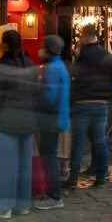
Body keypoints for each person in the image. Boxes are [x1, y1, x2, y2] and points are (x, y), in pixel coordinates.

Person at [0, 29, 40, 218]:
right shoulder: (31, 65)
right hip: (28, 120)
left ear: (5, 45)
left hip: (7, 120)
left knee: (4, 166)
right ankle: (23, 205)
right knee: (25, 165)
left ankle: (3, 207)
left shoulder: (1, 67)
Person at [64, 25, 112, 189]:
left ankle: (72, 179)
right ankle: (101, 176)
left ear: (85, 36)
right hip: (101, 104)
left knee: (79, 141)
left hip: (82, 103)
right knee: (100, 141)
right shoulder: (107, 55)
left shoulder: (83, 56)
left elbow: (75, 77)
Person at [34, 35, 70, 210]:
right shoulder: (59, 65)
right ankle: (51, 193)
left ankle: (54, 196)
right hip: (57, 117)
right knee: (50, 157)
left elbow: (49, 97)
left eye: (42, 45)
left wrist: (35, 94)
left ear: (48, 49)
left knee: (49, 158)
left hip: (50, 119)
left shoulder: (51, 68)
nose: (40, 48)